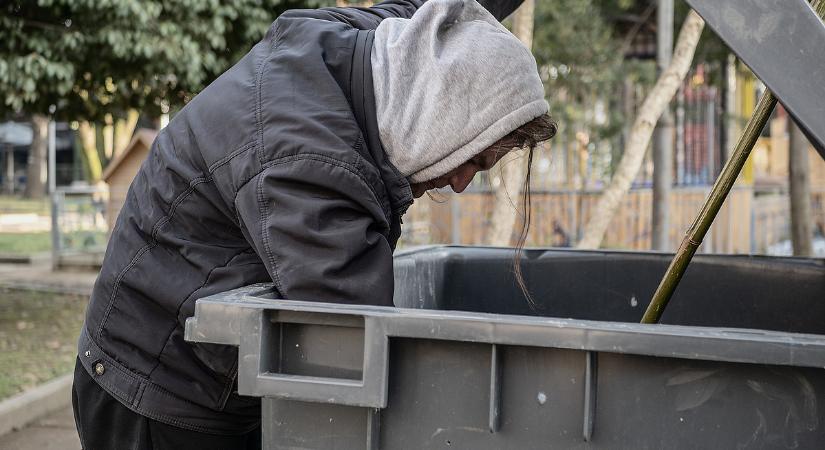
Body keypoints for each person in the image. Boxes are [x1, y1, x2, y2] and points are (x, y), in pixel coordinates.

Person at [72, 0, 556, 448]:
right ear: (442, 118)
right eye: (472, 159)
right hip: (156, 394)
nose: (460, 184)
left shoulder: (369, 51)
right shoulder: (312, 165)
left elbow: (430, 12)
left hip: (208, 367)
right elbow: (356, 346)